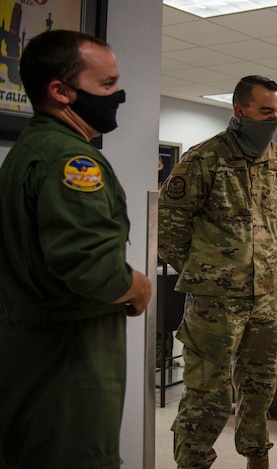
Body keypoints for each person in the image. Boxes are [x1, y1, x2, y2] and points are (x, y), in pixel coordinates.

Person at [0, 29, 152, 468]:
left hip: (28, 350)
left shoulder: (27, 151)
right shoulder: (72, 161)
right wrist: (137, 285)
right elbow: (92, 267)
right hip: (70, 358)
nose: (118, 96)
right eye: (107, 86)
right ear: (61, 91)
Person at [159, 75, 277, 469]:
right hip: (213, 304)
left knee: (260, 386)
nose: (274, 119)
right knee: (207, 395)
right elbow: (169, 230)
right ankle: (193, 462)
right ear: (240, 110)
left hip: (265, 298)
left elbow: (272, 219)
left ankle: (257, 456)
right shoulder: (203, 160)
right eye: (265, 111)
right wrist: (206, 273)